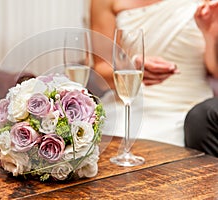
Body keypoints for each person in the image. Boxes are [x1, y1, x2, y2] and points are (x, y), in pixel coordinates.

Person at [89, 0, 218, 148]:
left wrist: (210, 34)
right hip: (131, 103)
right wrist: (130, 69)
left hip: (190, 108)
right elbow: (101, 72)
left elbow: (215, 71)